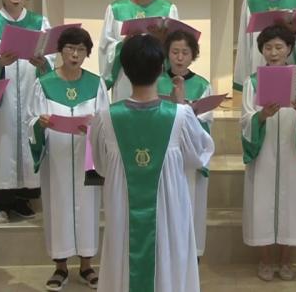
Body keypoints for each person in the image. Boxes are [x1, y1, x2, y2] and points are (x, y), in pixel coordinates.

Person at [90, 34, 214, 292]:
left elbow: (100, 167)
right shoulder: (181, 116)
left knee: (123, 259)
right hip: (169, 211)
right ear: (160, 69)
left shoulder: (105, 118)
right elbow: (200, 155)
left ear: (125, 70)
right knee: (169, 260)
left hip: (124, 210)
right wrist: (181, 105)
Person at [27, 27, 109, 291]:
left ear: (87, 53)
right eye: (70, 49)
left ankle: (87, 265)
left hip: (88, 155)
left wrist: (95, 127)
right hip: (57, 157)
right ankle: (60, 267)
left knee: (88, 207)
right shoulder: (44, 83)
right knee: (58, 206)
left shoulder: (96, 84)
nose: (75, 55)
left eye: (81, 50)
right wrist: (39, 124)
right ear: (60, 51)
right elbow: (30, 119)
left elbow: (106, 120)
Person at [240, 24, 296, 282]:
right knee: (262, 203)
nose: (273, 53)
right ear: (261, 50)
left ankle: (286, 259)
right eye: (267, 48)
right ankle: (264, 259)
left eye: (279, 47)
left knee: (291, 204)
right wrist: (262, 115)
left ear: (290, 48)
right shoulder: (253, 82)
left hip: (292, 149)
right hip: (264, 152)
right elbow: (246, 118)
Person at [0, 0, 52, 223]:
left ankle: (24, 198)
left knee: (28, 139)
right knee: (5, 142)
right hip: (5, 94)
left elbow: (51, 57)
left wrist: (42, 62)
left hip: (30, 89)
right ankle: (3, 201)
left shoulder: (39, 22)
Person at [156, 29, 213, 257]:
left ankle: (191, 255)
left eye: (185, 52)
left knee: (191, 204)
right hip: (164, 153)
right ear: (167, 54)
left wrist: (184, 108)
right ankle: (165, 254)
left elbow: (205, 123)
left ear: (193, 55)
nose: (179, 58)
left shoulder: (202, 85)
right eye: (175, 52)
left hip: (190, 155)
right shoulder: (156, 81)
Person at [99, 0, 179, 102]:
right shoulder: (116, 8)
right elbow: (106, 46)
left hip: (157, 76)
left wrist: (162, 42)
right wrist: (123, 45)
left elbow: (176, 46)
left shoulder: (167, 9)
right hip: (125, 76)